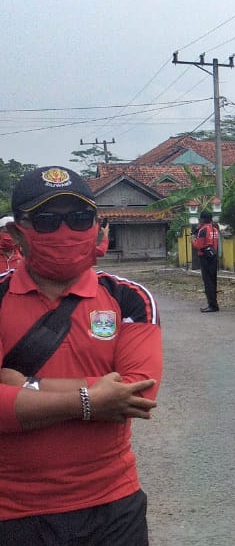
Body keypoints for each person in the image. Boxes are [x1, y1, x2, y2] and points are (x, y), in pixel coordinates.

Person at [0, 165, 162, 545]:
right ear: (16, 233)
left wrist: (27, 387)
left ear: (95, 225)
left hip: (113, 507)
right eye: (46, 221)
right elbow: (112, 396)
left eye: (78, 219)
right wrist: (92, 400)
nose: (66, 232)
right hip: (14, 511)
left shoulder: (129, 299)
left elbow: (138, 393)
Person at [192, 211, 220, 312]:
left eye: (200, 219)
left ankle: (212, 305)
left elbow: (198, 245)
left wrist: (193, 239)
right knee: (213, 281)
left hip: (205, 257)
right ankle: (214, 303)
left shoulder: (203, 230)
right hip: (213, 256)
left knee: (208, 282)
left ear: (203, 219)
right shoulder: (215, 229)